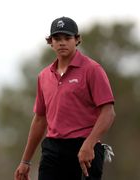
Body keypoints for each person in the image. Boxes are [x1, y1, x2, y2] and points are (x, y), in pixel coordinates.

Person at [14, 16, 116, 180]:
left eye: (67, 38)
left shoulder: (92, 70)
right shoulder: (43, 76)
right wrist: (25, 161)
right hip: (53, 150)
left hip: (84, 148)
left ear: (77, 40)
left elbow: (108, 112)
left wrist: (89, 144)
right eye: (57, 38)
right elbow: (40, 119)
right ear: (51, 42)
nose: (62, 42)